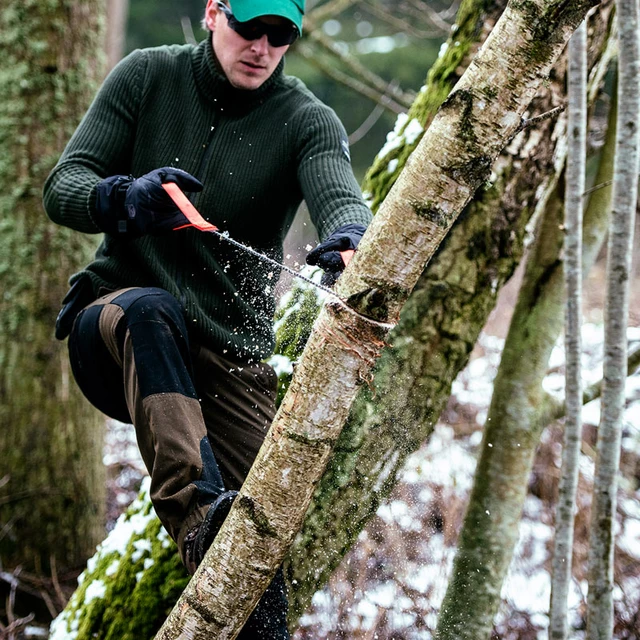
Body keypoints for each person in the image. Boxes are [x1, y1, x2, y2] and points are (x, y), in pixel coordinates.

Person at [43, 0, 371, 636]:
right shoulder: (147, 76)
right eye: (251, 28)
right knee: (150, 310)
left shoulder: (306, 119)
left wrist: (351, 236)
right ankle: (196, 518)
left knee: (261, 539)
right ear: (213, 13)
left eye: (282, 36)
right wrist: (122, 198)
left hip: (229, 359)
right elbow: (64, 185)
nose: (263, 47)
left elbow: (339, 191)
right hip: (114, 326)